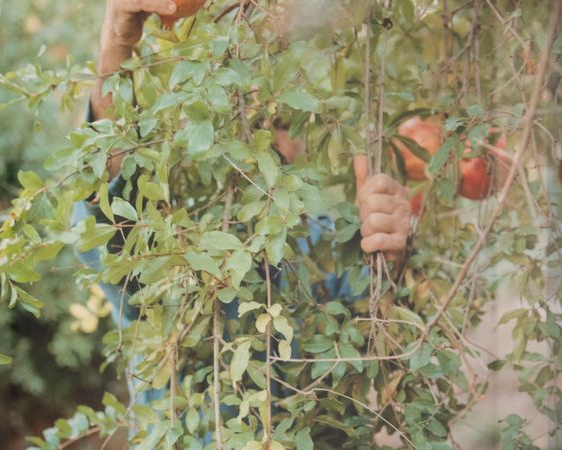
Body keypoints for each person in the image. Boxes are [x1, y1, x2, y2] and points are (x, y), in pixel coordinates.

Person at [71, 0, 412, 435]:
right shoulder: (167, 239)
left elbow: (383, 340)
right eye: (240, 115)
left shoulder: (335, 239)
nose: (259, 136)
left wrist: (391, 254)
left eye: (279, 119)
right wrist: (116, 48)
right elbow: (107, 216)